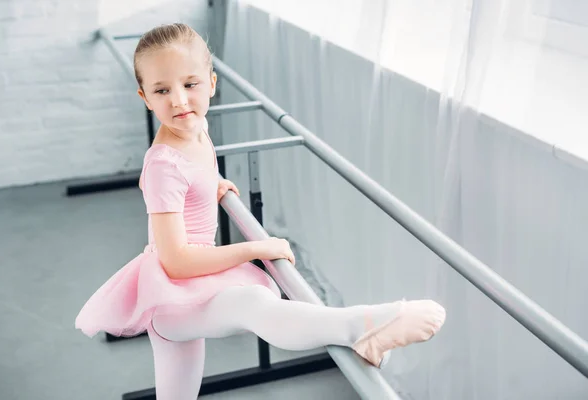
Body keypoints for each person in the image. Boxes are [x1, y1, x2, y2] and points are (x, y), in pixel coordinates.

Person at [75, 23, 446, 400]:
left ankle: (364, 329)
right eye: (162, 90)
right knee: (253, 306)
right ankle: (364, 326)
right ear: (144, 97)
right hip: (172, 296)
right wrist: (256, 248)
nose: (179, 101)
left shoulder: (195, 128)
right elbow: (176, 262)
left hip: (186, 287)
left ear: (212, 83)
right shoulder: (163, 165)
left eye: (190, 85)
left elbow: (193, 172)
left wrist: (209, 185)